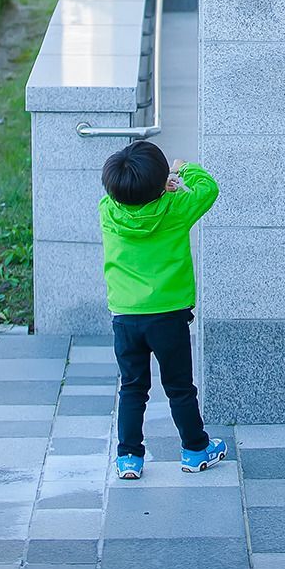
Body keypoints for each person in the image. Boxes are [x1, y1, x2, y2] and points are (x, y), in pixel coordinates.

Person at [99, 140, 225, 479]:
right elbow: (208, 188)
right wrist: (180, 169)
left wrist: (157, 187)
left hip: (125, 316)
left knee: (132, 387)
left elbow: (130, 200)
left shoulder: (107, 211)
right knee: (179, 387)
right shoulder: (176, 209)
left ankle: (128, 458)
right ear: (161, 184)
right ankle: (195, 449)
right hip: (168, 316)